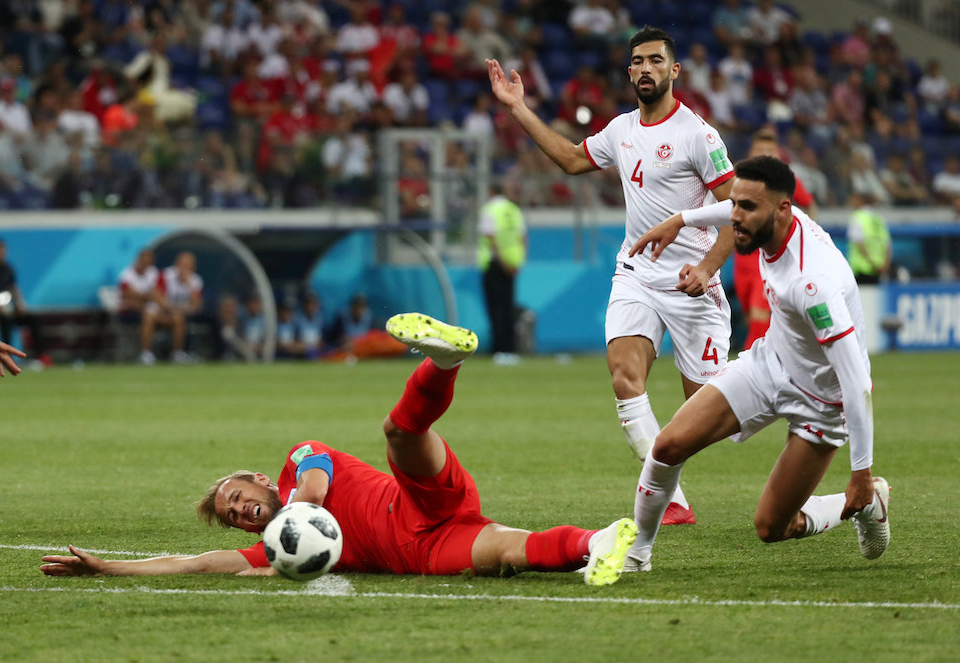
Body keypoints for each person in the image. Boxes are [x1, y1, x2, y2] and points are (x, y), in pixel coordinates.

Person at [40, 313, 638, 586]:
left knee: (399, 434)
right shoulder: (276, 549)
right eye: (232, 516)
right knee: (512, 552)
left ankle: (443, 362)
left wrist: (302, 512)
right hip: (425, 552)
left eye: (236, 497)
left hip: (416, 499)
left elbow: (316, 480)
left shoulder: (298, 463)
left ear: (257, 479)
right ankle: (601, 542)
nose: (240, 511)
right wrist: (107, 567)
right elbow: (195, 564)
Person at [487, 26, 739, 525]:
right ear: (629, 72)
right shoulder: (621, 130)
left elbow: (738, 209)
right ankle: (670, 499)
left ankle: (784, 384)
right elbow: (571, 159)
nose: (646, 68)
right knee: (625, 378)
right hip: (636, 274)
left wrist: (707, 267)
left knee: (713, 416)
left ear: (674, 70)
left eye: (656, 60)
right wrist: (518, 108)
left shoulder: (698, 135)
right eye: (638, 61)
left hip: (691, 282)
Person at [624, 156, 891, 572]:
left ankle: (866, 500)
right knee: (668, 446)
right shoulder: (775, 220)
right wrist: (681, 219)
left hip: (823, 400)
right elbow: (732, 209)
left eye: (747, 208)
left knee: (772, 527)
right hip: (770, 365)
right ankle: (636, 554)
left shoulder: (811, 283)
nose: (735, 218)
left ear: (782, 209)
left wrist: (860, 472)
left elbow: (856, 379)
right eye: (735, 204)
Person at [735, 129, 817, 350]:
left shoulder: (784, 180)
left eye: (769, 150)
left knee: (759, 316)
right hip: (742, 261)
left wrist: (803, 234)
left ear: (778, 154)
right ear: (751, 153)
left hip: (768, 260)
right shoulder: (739, 179)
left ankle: (751, 365)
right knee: (753, 317)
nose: (765, 154)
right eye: (760, 149)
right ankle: (777, 359)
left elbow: (809, 204)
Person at [478, 181, 526, 364]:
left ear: (491, 192)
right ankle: (511, 349)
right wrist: (517, 262)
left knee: (495, 309)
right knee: (508, 307)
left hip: (495, 264)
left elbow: (490, 238)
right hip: (513, 264)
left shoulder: (489, 210)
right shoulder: (513, 210)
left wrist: (502, 261)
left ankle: (499, 350)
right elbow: (522, 237)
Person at [0, 239, 49, 365]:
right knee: (5, 321)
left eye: (1, 250)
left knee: (32, 319)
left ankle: (40, 356)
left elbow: (13, 288)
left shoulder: (8, 269)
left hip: (8, 308)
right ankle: (6, 357)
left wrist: (20, 304)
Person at [847, 193, 892, 285]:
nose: (851, 203)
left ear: (861, 200)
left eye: (854, 200)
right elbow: (887, 244)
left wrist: (873, 264)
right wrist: (884, 266)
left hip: (861, 270)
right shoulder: (878, 218)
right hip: (878, 270)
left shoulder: (858, 217)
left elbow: (859, 244)